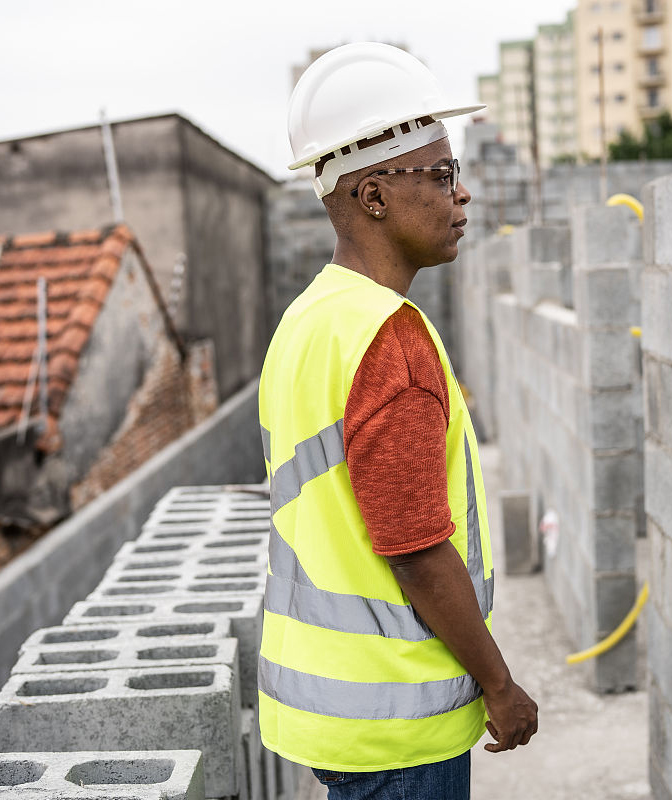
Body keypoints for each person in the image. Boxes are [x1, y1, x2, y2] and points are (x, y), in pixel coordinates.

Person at [257, 42, 538, 799]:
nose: (463, 195)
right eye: (443, 175)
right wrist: (500, 685)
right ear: (374, 196)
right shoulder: (386, 336)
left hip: (335, 711)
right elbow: (416, 549)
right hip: (397, 724)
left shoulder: (310, 317)